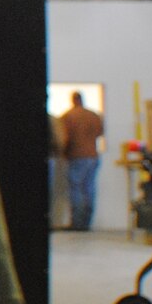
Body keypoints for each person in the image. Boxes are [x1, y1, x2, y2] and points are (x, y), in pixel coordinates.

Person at [59, 92, 104, 231]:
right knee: (89, 188)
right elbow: (100, 132)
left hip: (77, 156)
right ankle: (87, 223)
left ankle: (76, 223)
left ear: (73, 100)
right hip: (93, 156)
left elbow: (64, 138)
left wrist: (63, 152)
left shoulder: (68, 116)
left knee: (76, 189)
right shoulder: (94, 115)